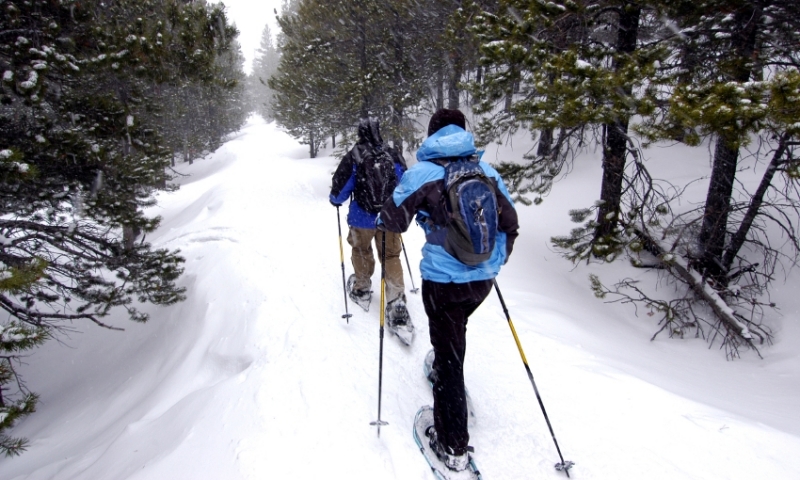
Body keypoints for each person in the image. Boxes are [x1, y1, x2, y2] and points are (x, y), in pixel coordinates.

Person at [378, 109, 519, 471]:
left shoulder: (423, 173)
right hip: (483, 282)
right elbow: (510, 223)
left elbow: (392, 220)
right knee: (456, 332)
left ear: (432, 134)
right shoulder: (486, 171)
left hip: (444, 282)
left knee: (448, 357)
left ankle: (453, 445)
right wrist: (494, 261)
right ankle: (448, 366)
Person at [329, 117, 411, 327]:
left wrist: (335, 200)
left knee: (361, 250)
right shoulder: (391, 154)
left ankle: (362, 286)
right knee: (391, 255)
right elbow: (406, 184)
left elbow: (340, 191)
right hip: (389, 218)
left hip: (361, 218)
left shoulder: (354, 156)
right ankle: (396, 300)